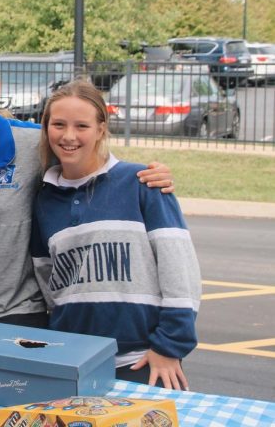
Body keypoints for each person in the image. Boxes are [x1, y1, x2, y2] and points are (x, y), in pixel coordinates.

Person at [0, 48, 175, 348]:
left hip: (20, 313)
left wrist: (145, 176)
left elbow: (91, 164)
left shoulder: (35, 144)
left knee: (18, 396)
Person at [30, 80, 200, 390]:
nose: (68, 136)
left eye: (82, 125)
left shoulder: (142, 184)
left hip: (143, 361)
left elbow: (180, 271)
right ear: (46, 128)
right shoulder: (44, 200)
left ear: (101, 128)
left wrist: (169, 347)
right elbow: (48, 281)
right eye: (58, 124)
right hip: (74, 362)